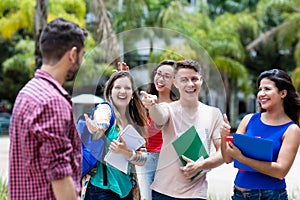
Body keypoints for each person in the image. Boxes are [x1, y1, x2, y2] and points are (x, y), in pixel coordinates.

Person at [8, 18, 87, 200]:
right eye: (82, 55)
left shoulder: (27, 92)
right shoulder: (53, 102)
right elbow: (59, 174)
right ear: (72, 54)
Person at [141, 59, 224, 200]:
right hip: (163, 193)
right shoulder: (167, 108)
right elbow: (159, 117)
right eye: (184, 80)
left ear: (201, 80)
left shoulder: (214, 113)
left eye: (194, 79)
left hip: (196, 194)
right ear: (175, 83)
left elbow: (223, 152)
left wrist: (201, 165)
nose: (190, 84)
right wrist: (152, 107)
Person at [220, 69, 300, 200]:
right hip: (239, 193)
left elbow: (280, 171)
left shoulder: (291, 129)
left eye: (267, 89)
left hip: (269, 195)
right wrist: (224, 136)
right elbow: (228, 158)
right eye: (260, 89)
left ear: (283, 93)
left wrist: (242, 158)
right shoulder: (248, 120)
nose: (261, 94)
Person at [83, 70, 148, 200]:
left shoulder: (135, 122)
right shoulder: (105, 109)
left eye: (127, 88)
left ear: (133, 95)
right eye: (117, 87)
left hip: (127, 190)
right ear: (110, 92)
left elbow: (143, 158)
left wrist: (127, 153)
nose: (122, 91)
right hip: (102, 190)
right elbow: (102, 120)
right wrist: (99, 127)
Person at [137, 60, 178, 200]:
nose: (160, 79)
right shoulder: (146, 101)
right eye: (158, 74)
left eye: (167, 76)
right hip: (148, 159)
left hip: (169, 160)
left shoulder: (179, 105)